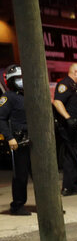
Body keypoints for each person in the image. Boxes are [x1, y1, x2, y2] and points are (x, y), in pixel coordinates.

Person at [51, 62, 77, 195]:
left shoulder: (76, 86)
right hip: (70, 126)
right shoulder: (65, 84)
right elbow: (57, 102)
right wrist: (68, 118)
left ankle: (69, 186)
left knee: (69, 157)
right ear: (75, 72)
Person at [0, 65, 31, 215]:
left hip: (33, 140)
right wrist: (10, 137)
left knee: (40, 174)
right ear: (12, 81)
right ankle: (17, 205)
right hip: (19, 141)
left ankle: (47, 204)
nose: (21, 81)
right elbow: (1, 119)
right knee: (20, 175)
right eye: (18, 79)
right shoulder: (8, 97)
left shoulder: (28, 95)